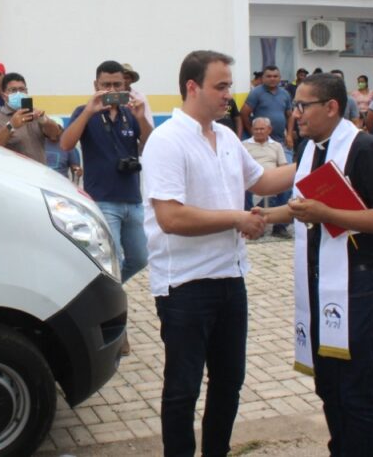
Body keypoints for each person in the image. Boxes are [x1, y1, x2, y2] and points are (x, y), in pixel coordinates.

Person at [143, 50, 296, 457]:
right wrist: (236, 219)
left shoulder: (227, 137)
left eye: (230, 85)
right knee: (183, 389)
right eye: (221, 86)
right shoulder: (166, 141)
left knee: (229, 382)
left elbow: (262, 182)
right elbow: (170, 217)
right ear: (192, 87)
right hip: (186, 285)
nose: (230, 94)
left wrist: (316, 161)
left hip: (230, 278)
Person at [259, 73, 373, 457]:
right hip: (320, 281)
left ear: (330, 107)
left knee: (354, 389)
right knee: (328, 384)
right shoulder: (310, 149)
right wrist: (260, 218)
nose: (295, 114)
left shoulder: (365, 149)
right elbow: (303, 208)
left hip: (359, 284)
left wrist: (328, 214)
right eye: (295, 105)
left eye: (303, 106)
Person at [61, 60, 152, 285]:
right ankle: (111, 301)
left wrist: (141, 117)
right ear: (96, 85)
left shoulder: (130, 113)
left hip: (132, 199)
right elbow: (66, 144)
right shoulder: (84, 112)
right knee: (113, 260)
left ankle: (105, 291)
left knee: (140, 259)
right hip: (103, 200)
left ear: (125, 86)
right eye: (106, 85)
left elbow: (151, 145)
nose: (112, 90)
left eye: (117, 85)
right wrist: (88, 111)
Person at [0, 72, 62, 163]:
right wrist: (11, 126)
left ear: (26, 92)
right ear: (3, 95)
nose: (19, 93)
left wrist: (46, 121)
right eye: (13, 90)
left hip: (39, 170)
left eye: (22, 89)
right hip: (13, 171)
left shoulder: (35, 114)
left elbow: (55, 136)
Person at [242, 117, 290, 237]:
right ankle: (252, 225)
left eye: (262, 129)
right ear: (252, 130)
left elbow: (283, 166)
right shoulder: (244, 145)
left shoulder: (277, 146)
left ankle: (279, 227)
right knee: (243, 188)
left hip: (273, 180)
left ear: (269, 130)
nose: (259, 131)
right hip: (252, 180)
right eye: (256, 129)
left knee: (287, 189)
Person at [240, 65, 294, 159]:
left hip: (281, 141)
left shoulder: (285, 94)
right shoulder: (256, 93)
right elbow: (244, 113)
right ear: (263, 78)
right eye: (269, 76)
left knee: (286, 165)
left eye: (275, 76)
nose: (272, 79)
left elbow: (290, 116)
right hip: (262, 143)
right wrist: (252, 131)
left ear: (280, 78)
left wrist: (289, 135)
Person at [122, 62, 155, 128]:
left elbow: (149, 120)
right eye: (122, 78)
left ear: (132, 80)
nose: (124, 80)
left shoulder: (140, 97)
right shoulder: (111, 96)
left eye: (127, 78)